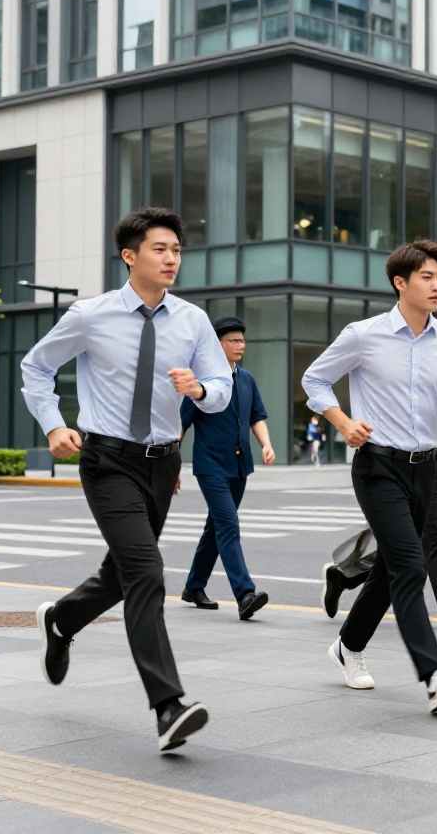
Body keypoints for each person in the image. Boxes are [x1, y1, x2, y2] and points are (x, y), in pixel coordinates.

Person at [21, 207, 231, 752]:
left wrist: (201, 391)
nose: (171, 259)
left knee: (122, 574)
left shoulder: (193, 321)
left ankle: (62, 621)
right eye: (160, 249)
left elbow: (221, 385)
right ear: (130, 256)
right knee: (146, 572)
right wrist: (53, 425)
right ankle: (168, 705)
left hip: (162, 463)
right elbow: (36, 367)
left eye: (177, 250)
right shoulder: (90, 315)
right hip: (107, 460)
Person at [302, 239, 437, 714]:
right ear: (400, 283)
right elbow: (314, 380)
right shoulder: (364, 334)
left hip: (428, 469)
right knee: (410, 565)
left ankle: (347, 646)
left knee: (389, 567)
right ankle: (433, 674)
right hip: (378, 466)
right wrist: (343, 423)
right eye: (427, 277)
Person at [317, 309, 437, 631]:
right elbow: (317, 380)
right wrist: (346, 424)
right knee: (432, 541)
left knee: (410, 544)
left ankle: (344, 576)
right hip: (425, 460)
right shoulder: (414, 369)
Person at [177, 316, 274, 621]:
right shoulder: (202, 384)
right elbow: (181, 425)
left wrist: (265, 444)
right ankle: (245, 593)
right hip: (210, 466)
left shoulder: (246, 379)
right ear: (218, 344)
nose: (240, 345)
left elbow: (256, 416)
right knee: (228, 524)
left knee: (215, 527)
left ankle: (194, 586)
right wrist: (171, 467)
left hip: (239, 464)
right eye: (234, 340)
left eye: (242, 340)